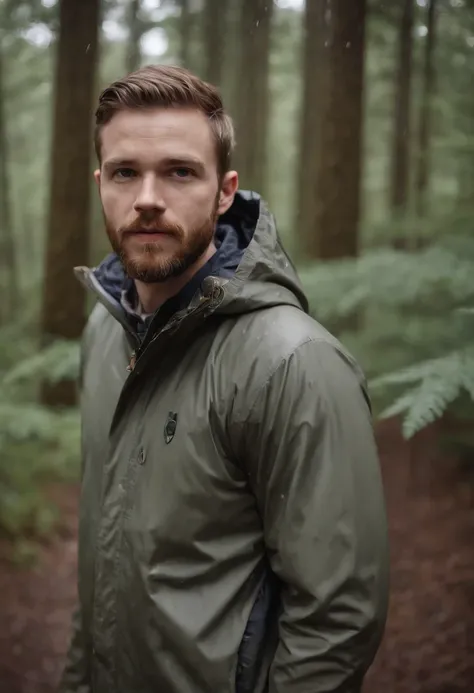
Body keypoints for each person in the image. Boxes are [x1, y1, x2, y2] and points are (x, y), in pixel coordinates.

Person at [60, 64, 389, 693]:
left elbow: (338, 621)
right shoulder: (102, 337)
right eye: (126, 172)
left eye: (180, 171)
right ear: (101, 184)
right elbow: (101, 565)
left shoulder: (294, 363)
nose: (148, 197)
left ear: (224, 192)